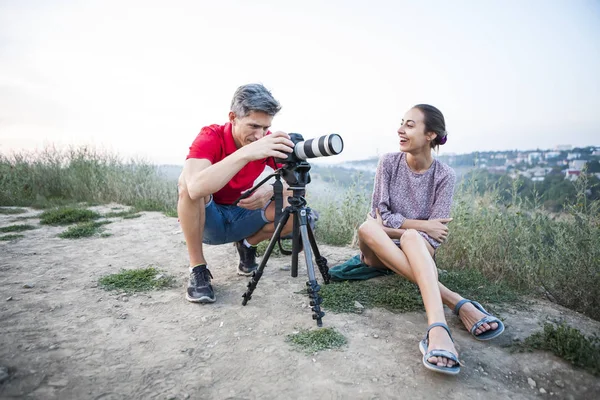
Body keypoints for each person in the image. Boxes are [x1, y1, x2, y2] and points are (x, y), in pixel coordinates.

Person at [357, 104, 505, 375]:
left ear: (430, 135)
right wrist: (420, 225)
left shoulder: (444, 175)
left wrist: (405, 230)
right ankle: (457, 301)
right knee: (367, 229)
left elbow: (435, 235)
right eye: (402, 123)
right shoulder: (388, 163)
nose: (400, 129)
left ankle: (437, 330)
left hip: (419, 250)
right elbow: (379, 216)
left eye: (410, 125)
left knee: (412, 238)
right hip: (377, 252)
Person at [177, 83, 295, 304]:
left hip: (242, 213)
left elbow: (296, 187)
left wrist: (270, 190)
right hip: (208, 220)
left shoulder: (266, 141)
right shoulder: (211, 136)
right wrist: (246, 154)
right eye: (253, 126)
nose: (260, 135)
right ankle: (198, 268)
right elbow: (193, 187)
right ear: (233, 117)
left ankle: (248, 244)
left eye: (265, 128)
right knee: (186, 182)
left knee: (295, 208)